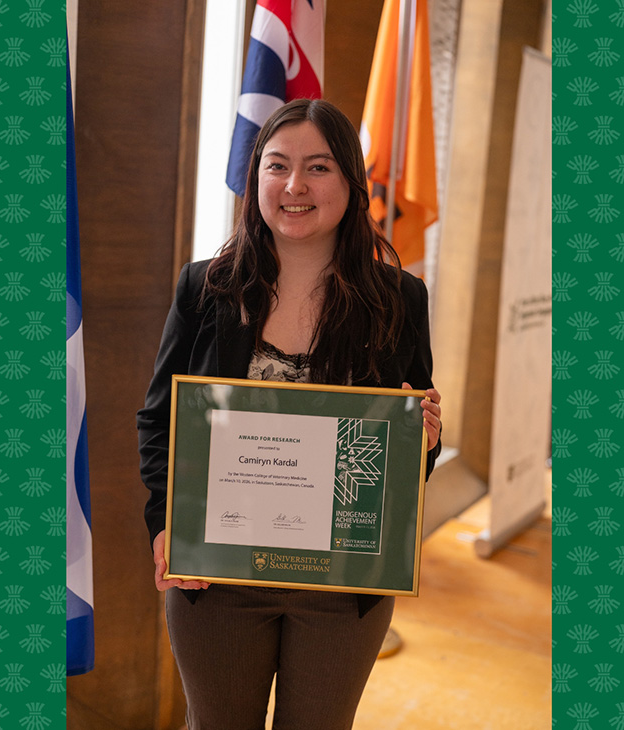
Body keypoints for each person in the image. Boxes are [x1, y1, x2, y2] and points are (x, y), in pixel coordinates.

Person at [136, 98, 443, 730]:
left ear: (352, 184)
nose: (294, 186)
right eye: (277, 166)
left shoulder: (399, 299)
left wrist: (425, 439)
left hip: (342, 584)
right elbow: (160, 420)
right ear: (256, 180)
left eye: (319, 167)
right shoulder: (205, 287)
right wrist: (164, 524)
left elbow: (408, 449)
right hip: (214, 578)